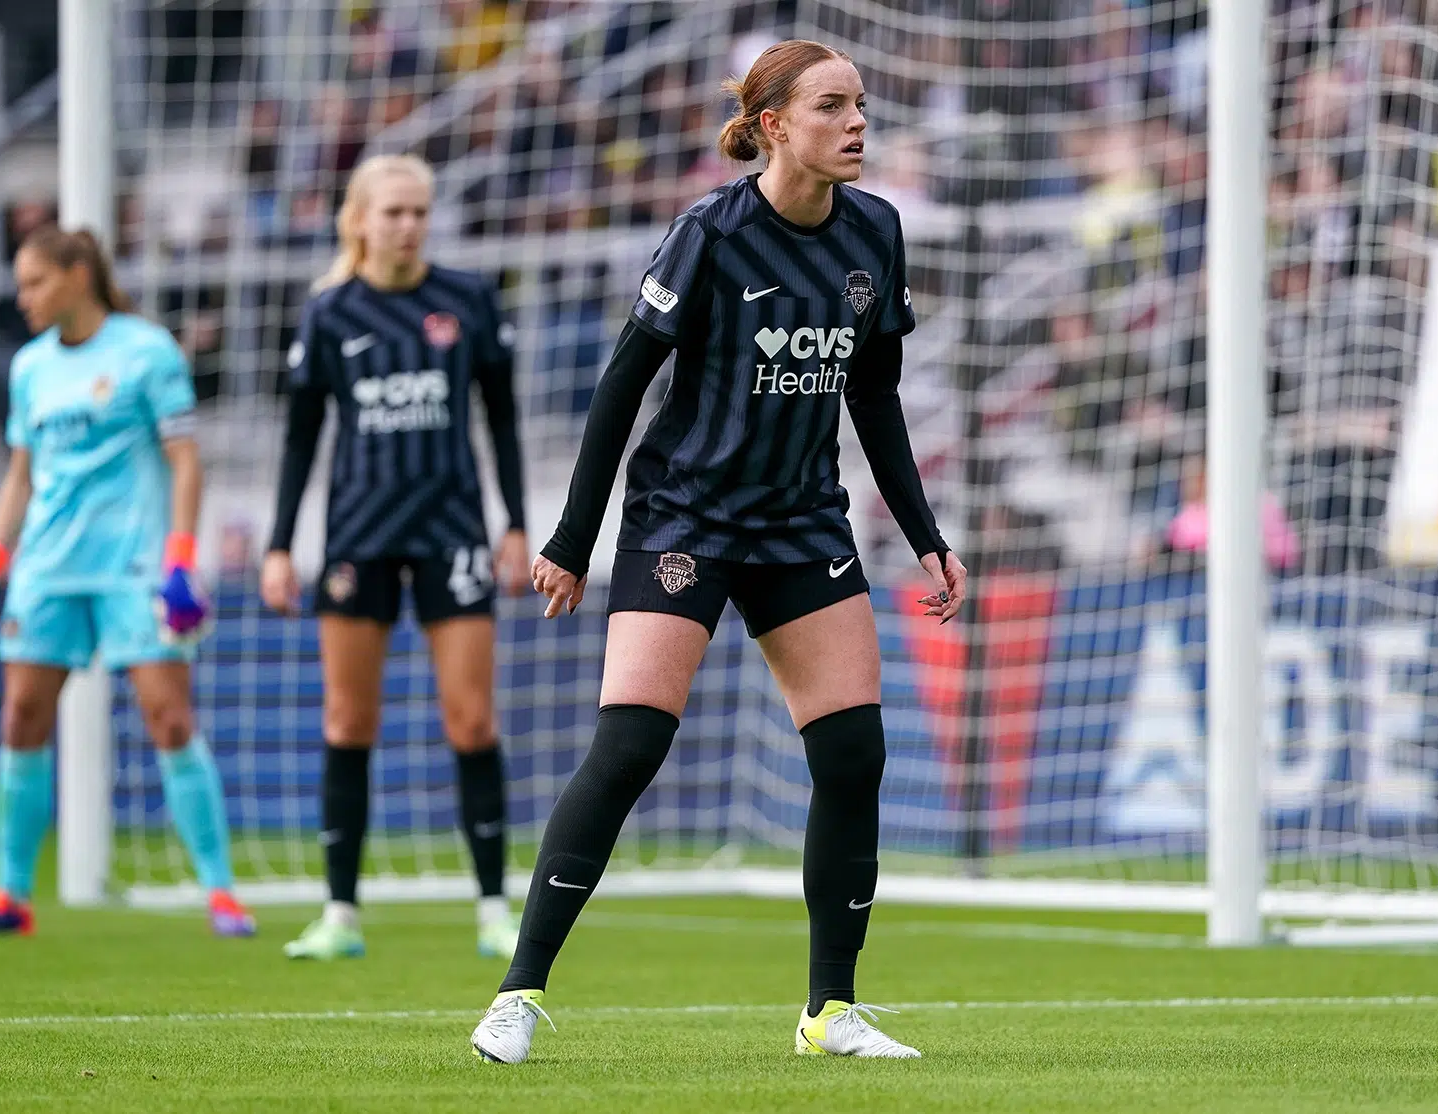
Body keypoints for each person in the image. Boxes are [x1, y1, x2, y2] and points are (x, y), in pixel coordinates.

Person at [470, 40, 968, 1064]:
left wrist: (924, 537)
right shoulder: (710, 232)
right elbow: (622, 385)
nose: (859, 123)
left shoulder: (876, 231)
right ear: (774, 123)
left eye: (862, 105)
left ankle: (830, 1010)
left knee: (853, 752)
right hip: (685, 517)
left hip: (800, 522)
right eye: (834, 106)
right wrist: (573, 537)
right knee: (631, 747)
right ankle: (516, 994)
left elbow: (873, 396)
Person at [0, 226, 255, 939]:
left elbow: (185, 460)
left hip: (133, 565)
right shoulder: (29, 367)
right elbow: (21, 475)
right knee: (21, 718)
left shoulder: (147, 352)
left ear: (79, 275)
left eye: (35, 282)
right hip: (48, 566)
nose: (23, 298)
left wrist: (180, 559)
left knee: (168, 718)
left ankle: (222, 893)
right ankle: (9, 897)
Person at [262, 154, 530, 962]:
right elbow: (302, 438)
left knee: (472, 717)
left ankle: (492, 907)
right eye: (394, 213)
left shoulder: (469, 300)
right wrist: (280, 544)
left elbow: (504, 421)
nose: (409, 225)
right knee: (349, 719)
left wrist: (516, 524)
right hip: (358, 536)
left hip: (452, 530)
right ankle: (340, 913)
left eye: (420, 211)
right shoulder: (330, 313)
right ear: (360, 221)